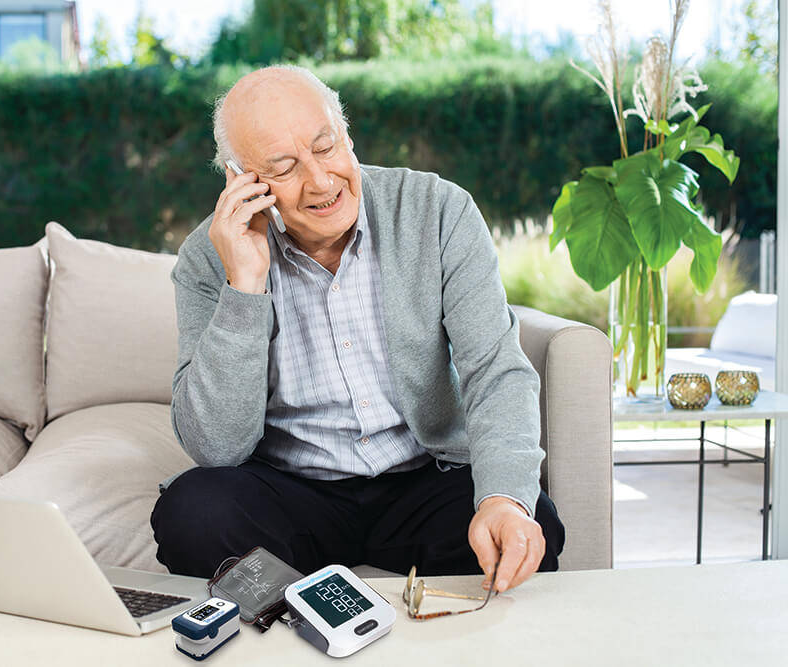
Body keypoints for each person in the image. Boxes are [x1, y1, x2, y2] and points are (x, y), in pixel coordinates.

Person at [151, 64, 564, 594]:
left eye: (327, 147)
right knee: (193, 514)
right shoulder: (208, 259)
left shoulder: (438, 211)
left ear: (347, 134)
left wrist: (503, 500)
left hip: (425, 477)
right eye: (283, 167)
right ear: (242, 180)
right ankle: (297, 630)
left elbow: (495, 372)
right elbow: (216, 449)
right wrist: (245, 283)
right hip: (294, 491)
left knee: (533, 525)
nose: (321, 182)